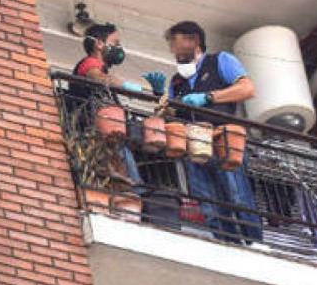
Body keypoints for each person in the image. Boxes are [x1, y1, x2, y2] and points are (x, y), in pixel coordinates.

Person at [155, 20, 262, 243]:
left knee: (236, 195)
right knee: (208, 202)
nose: (173, 50)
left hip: (223, 141)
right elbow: (174, 115)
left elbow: (247, 88)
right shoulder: (177, 81)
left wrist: (209, 97)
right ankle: (227, 243)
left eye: (176, 43)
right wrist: (164, 105)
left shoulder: (220, 61)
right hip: (195, 147)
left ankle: (254, 243)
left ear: (194, 41)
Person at [70, 23, 144, 188]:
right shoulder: (89, 63)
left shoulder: (100, 68)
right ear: (99, 43)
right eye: (115, 43)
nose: (118, 48)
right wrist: (125, 86)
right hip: (97, 135)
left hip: (108, 136)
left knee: (125, 178)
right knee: (128, 181)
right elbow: (97, 76)